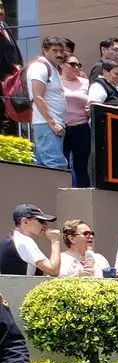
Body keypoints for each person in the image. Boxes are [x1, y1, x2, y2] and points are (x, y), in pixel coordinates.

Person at [27, 37, 68, 170]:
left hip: (50, 125)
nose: (59, 54)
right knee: (56, 165)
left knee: (41, 167)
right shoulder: (40, 67)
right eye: (55, 50)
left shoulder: (52, 68)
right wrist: (53, 122)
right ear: (45, 50)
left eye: (61, 51)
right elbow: (38, 97)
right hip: (47, 125)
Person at [0, 205, 61, 276]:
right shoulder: (24, 241)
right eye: (41, 221)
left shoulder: (10, 240)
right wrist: (55, 241)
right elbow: (53, 270)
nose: (45, 225)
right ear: (25, 222)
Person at [60, 53, 91, 188]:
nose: (76, 67)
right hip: (62, 128)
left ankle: (83, 195)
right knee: (63, 165)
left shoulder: (85, 82)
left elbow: (92, 101)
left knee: (81, 167)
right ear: (62, 65)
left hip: (82, 127)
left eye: (78, 65)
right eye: (72, 64)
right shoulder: (56, 82)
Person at [0, 3, 23, 136]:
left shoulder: (6, 27)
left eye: (2, 7)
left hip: (12, 88)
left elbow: (13, 53)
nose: (0, 11)